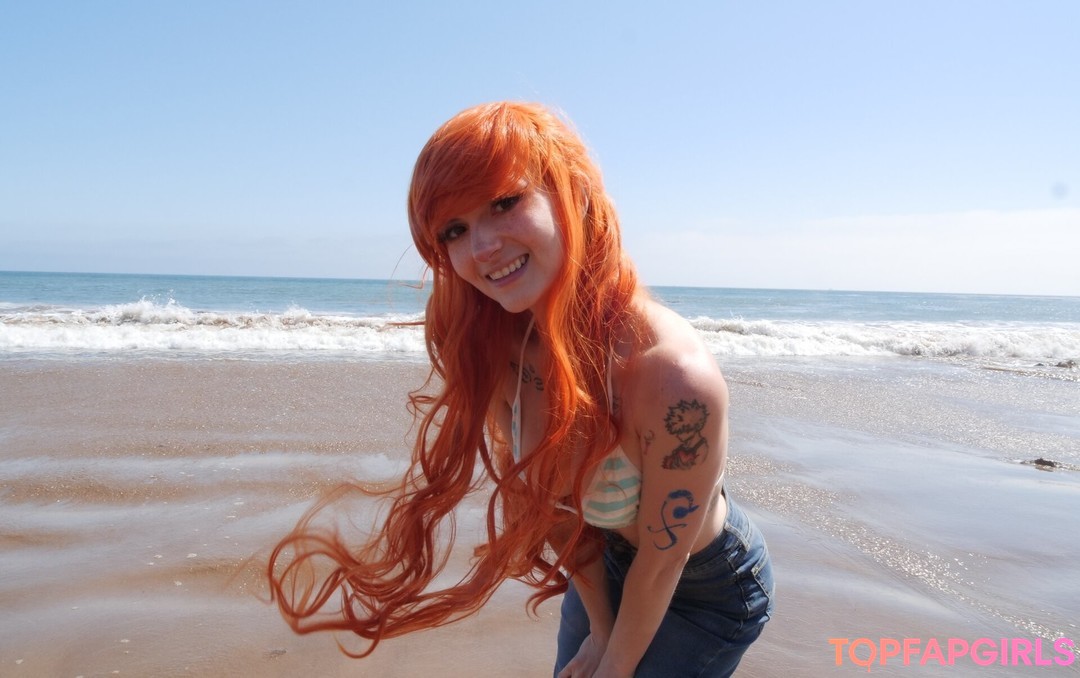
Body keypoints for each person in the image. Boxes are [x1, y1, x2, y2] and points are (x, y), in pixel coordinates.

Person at [267, 101, 774, 677]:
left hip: (705, 586)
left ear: (570, 193)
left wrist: (614, 663)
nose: (481, 247)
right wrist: (601, 632)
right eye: (455, 230)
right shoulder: (497, 343)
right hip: (606, 561)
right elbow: (549, 506)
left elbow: (663, 563)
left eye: (504, 202)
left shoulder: (671, 378)